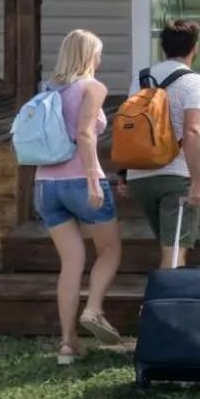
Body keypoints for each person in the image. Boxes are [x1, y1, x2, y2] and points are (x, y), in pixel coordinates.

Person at [32, 29, 124, 364]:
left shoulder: (48, 89)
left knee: (71, 263)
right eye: (97, 53)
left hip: (44, 185)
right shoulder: (93, 87)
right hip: (80, 181)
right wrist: (93, 180)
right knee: (110, 249)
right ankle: (94, 309)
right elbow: (84, 133)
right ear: (89, 56)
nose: (100, 59)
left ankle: (68, 344)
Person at [126, 19, 200, 269]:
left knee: (167, 247)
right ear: (195, 48)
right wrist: (198, 181)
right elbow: (193, 131)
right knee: (174, 253)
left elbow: (130, 126)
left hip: (139, 175)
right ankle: (166, 307)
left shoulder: (141, 78)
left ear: (163, 47)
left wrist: (123, 173)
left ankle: (162, 301)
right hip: (175, 176)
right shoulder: (196, 83)